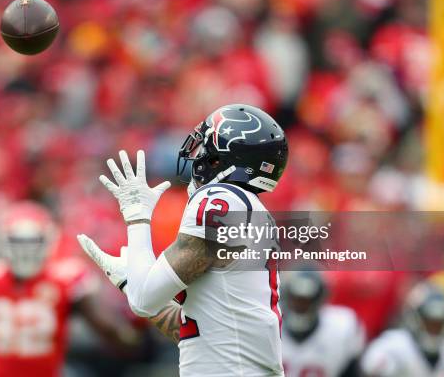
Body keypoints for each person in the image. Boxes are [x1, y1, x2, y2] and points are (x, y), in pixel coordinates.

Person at [78, 104, 289, 376]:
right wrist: (128, 280)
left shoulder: (221, 200)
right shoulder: (248, 210)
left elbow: (143, 300)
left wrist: (137, 217)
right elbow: (194, 329)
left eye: (205, 148)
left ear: (221, 159)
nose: (199, 155)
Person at [0, 201, 138, 377]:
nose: (25, 251)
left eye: (32, 243)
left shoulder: (64, 279)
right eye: (19, 243)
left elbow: (109, 330)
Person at [281, 269, 365, 377]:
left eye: (306, 301)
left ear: (319, 300)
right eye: (296, 299)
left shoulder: (341, 328)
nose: (300, 306)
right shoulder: (266, 326)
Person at [361, 282, 444, 377]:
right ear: (415, 318)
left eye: (439, 324)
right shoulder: (395, 344)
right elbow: (371, 366)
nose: (434, 329)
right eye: (429, 323)